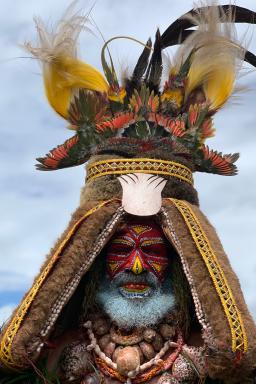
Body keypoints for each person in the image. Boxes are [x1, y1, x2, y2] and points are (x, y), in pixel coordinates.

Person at [1, 2, 256, 383]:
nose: (136, 267)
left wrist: (176, 215)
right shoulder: (61, 354)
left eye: (152, 250)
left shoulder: (203, 358)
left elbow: (237, 356)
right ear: (93, 252)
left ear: (180, 255)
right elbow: (13, 354)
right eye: (120, 249)